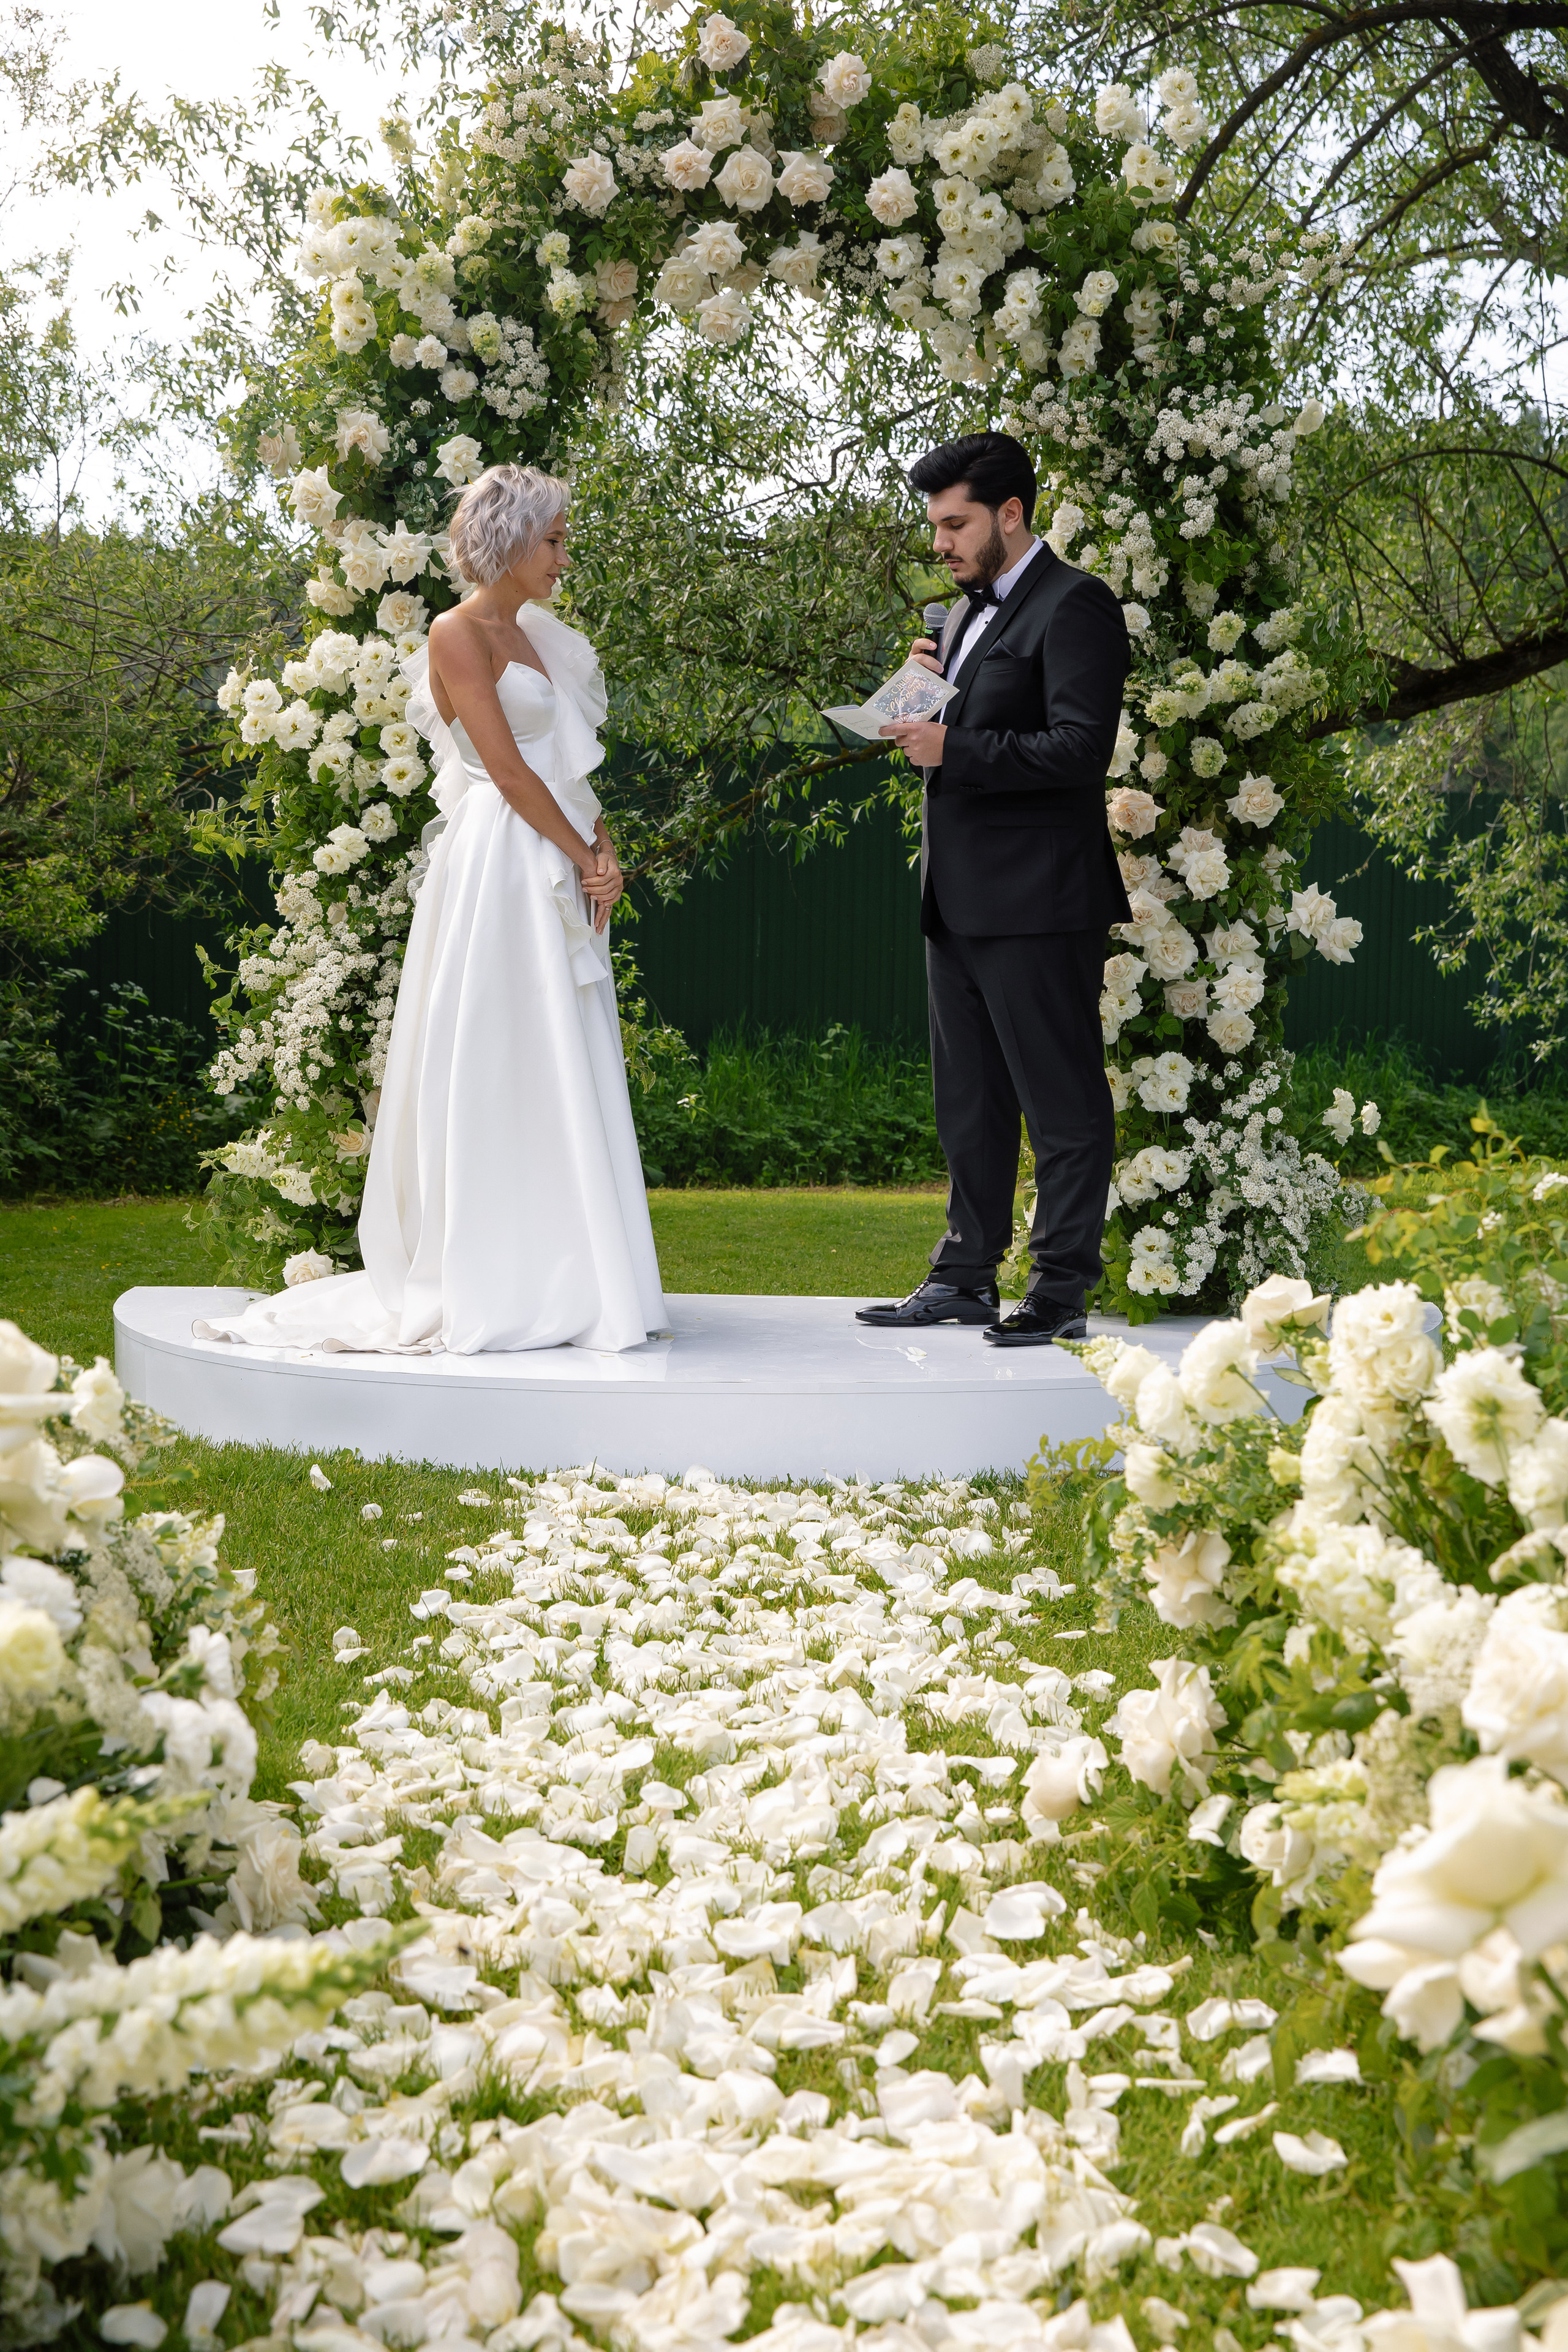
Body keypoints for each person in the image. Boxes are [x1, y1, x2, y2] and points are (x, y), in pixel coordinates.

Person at [198, 464, 669, 1355]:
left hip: (558, 843)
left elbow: (568, 765)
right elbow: (506, 769)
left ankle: (576, 1271)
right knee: (501, 1047)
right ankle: (490, 1276)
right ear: (510, 539)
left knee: (562, 1049)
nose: (566, 556)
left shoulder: (541, 635)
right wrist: (578, 855)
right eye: (556, 540)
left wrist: (603, 852)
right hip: (501, 861)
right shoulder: (457, 635)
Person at [856, 431, 1131, 1347]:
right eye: (935, 525)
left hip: (1043, 903)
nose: (941, 543)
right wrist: (920, 703)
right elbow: (946, 746)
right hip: (956, 896)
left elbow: (1080, 751)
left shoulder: (1077, 606)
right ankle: (965, 1276)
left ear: (1011, 515)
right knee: (969, 1101)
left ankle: (1059, 1289)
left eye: (956, 523)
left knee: (1061, 1100)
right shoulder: (955, 616)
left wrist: (956, 745)